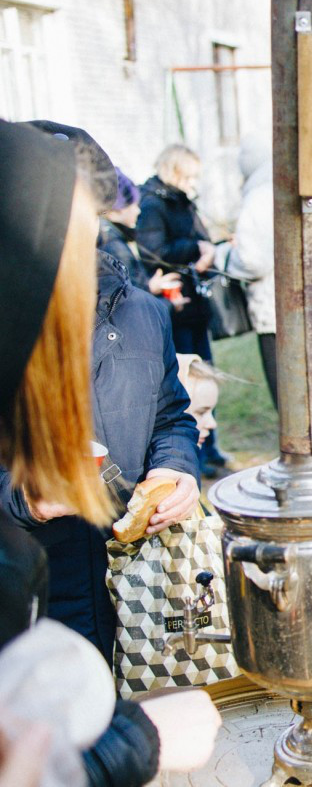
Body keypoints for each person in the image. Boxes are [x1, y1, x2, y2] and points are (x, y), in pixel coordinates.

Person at [0, 118, 220, 786]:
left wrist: (177, 468)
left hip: (137, 583)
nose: (89, 242)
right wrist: (22, 496)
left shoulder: (143, 313)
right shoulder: (22, 321)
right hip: (46, 579)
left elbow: (171, 413)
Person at [137, 143, 228, 475]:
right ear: (175, 171)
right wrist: (195, 249)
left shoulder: (183, 202)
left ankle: (210, 447)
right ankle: (191, 455)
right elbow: (153, 251)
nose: (194, 182)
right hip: (174, 311)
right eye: (190, 175)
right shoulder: (154, 205)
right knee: (185, 386)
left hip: (194, 307)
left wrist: (210, 249)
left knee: (205, 380)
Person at [215, 136, 279, 405]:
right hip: (294, 306)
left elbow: (253, 261)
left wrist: (221, 255)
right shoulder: (279, 187)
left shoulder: (259, 196)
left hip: (273, 311)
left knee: (286, 397)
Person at [98, 168, 183, 305]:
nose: (138, 211)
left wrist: (150, 286)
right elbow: (127, 301)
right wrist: (170, 306)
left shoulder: (112, 237)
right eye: (134, 205)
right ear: (118, 209)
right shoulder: (113, 244)